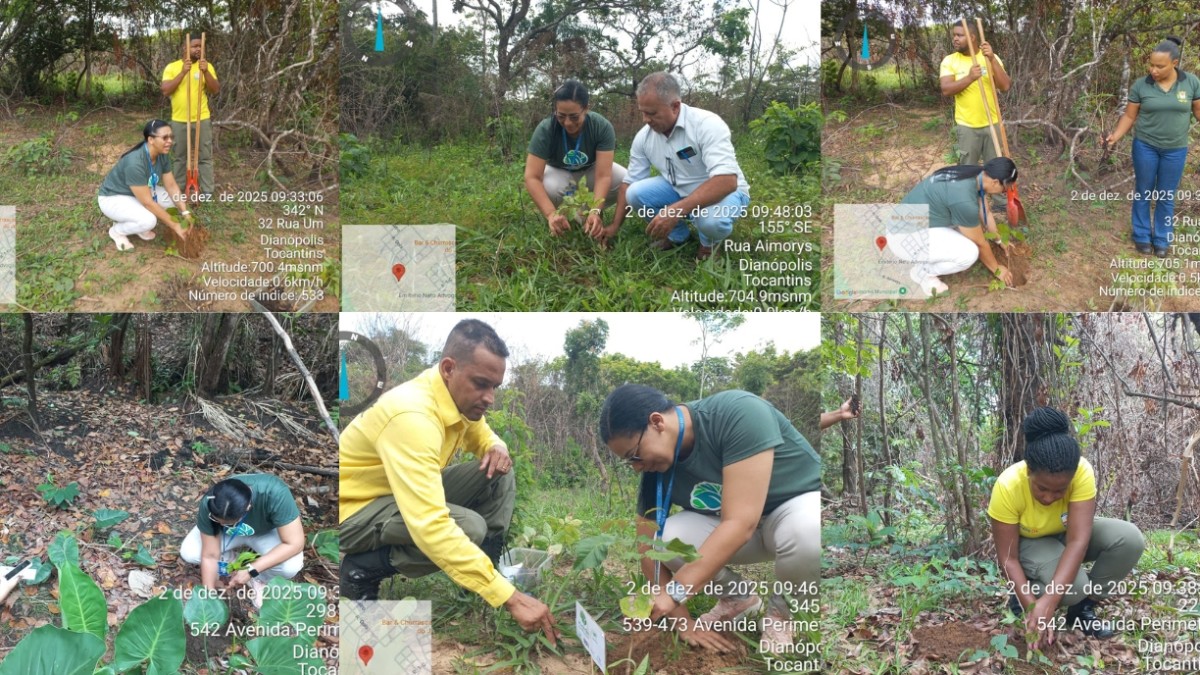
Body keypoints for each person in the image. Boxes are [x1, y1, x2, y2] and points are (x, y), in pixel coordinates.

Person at [339, 319, 559, 646]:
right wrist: (511, 598)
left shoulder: (455, 398)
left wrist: (497, 447)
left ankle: (480, 576)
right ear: (448, 368)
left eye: (494, 387)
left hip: (395, 495)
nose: (490, 398)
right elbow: (431, 526)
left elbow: (482, 434)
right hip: (353, 513)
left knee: (500, 469)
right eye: (481, 384)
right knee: (468, 528)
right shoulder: (413, 417)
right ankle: (361, 570)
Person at [598, 384, 856, 653]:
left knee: (807, 530)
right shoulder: (657, 465)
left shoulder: (737, 413)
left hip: (790, 515)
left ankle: (781, 615)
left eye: (635, 455)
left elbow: (740, 523)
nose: (637, 467)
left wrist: (674, 593)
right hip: (742, 531)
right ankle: (738, 598)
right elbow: (646, 542)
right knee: (666, 540)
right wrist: (683, 622)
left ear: (657, 422)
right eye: (630, 463)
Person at [988, 407, 1145, 649]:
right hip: (1031, 542)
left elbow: (1078, 541)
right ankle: (1023, 599)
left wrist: (1051, 599)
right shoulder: (1008, 485)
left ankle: (1081, 610)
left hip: (1066, 534)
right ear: (1029, 471)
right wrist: (1034, 608)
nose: (1049, 497)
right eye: (1041, 488)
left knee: (1129, 539)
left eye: (1059, 491)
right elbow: (1008, 559)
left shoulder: (1081, 472)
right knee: (1074, 587)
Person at [605, 72, 750, 260]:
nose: (645, 120)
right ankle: (677, 235)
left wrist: (676, 210)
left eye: (651, 113)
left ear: (675, 106)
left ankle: (709, 244)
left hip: (726, 193)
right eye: (642, 112)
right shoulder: (644, 137)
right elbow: (629, 182)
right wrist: (615, 226)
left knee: (712, 221)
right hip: (679, 189)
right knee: (635, 193)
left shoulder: (706, 124)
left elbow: (727, 181)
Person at [1104, 37, 1200, 257]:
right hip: (1145, 146)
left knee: (1166, 195)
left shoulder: (1191, 83)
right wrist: (1115, 137)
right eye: (1151, 65)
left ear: (1174, 63)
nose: (1153, 70)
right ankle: (1141, 236)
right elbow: (1129, 116)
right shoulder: (1141, 85)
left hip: (1175, 150)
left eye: (1160, 66)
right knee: (1143, 191)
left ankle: (1162, 239)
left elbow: (1198, 111)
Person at [893, 158, 1019, 297]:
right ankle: (923, 272)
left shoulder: (974, 174)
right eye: (1004, 190)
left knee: (971, 230)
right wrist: (996, 269)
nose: (1004, 192)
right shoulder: (964, 200)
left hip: (912, 223)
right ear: (995, 182)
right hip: (904, 238)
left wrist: (999, 240)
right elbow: (980, 242)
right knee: (969, 252)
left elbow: (986, 212)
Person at [180, 474, 305, 606]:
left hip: (266, 531)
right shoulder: (213, 502)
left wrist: (253, 569)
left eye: (227, 522)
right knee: (190, 551)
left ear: (247, 508)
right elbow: (209, 555)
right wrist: (208, 596)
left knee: (290, 566)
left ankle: (259, 578)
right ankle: (235, 564)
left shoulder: (275, 493)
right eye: (217, 521)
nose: (221, 524)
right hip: (230, 533)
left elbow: (295, 543)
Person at [524, 79, 627, 237]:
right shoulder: (546, 129)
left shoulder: (601, 126)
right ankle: (567, 215)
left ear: (586, 109)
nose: (567, 123)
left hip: (591, 171)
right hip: (561, 173)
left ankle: (589, 214)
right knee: (547, 184)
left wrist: (595, 209)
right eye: (561, 116)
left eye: (574, 117)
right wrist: (550, 214)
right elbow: (532, 177)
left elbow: (603, 175)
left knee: (627, 180)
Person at [97, 119, 191, 251]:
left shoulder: (162, 154)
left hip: (139, 192)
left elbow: (171, 185)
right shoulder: (135, 163)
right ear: (151, 140)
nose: (170, 141)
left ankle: (136, 223)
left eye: (171, 137)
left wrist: (185, 211)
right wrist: (176, 225)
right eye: (165, 137)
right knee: (148, 221)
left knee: (171, 202)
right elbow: (148, 202)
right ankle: (117, 231)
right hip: (114, 198)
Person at [940, 21, 1011, 166]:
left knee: (994, 168)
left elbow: (1005, 86)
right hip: (967, 127)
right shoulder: (950, 61)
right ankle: (968, 189)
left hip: (993, 123)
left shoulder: (990, 57)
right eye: (954, 35)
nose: (955, 39)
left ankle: (993, 190)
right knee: (967, 168)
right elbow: (946, 89)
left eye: (959, 35)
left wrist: (992, 60)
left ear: (972, 37)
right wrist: (970, 78)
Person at [161, 32, 219, 198]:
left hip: (202, 118)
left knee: (205, 156)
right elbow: (165, 90)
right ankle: (179, 188)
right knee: (180, 156)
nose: (198, 49)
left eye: (200, 46)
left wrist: (206, 71)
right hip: (179, 120)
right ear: (185, 48)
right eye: (194, 46)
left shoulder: (206, 66)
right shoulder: (172, 67)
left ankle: (207, 190)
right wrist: (183, 72)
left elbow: (215, 89)